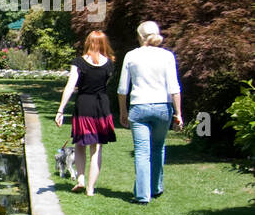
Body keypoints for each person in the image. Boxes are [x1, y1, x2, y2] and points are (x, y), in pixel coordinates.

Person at [117, 20, 183, 204]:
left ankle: (142, 195)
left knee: (142, 151)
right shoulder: (167, 56)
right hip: (163, 106)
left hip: (139, 107)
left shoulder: (131, 56)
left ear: (139, 36)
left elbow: (123, 89)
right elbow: (174, 87)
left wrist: (123, 112)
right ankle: (156, 187)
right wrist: (178, 113)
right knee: (158, 147)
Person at [55, 30, 117, 195]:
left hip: (84, 105)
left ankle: (81, 178)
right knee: (96, 149)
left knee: (80, 145)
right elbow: (106, 82)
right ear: (104, 43)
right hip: (102, 106)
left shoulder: (78, 63)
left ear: (88, 43)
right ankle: (90, 189)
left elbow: (70, 86)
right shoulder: (110, 64)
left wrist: (61, 109)